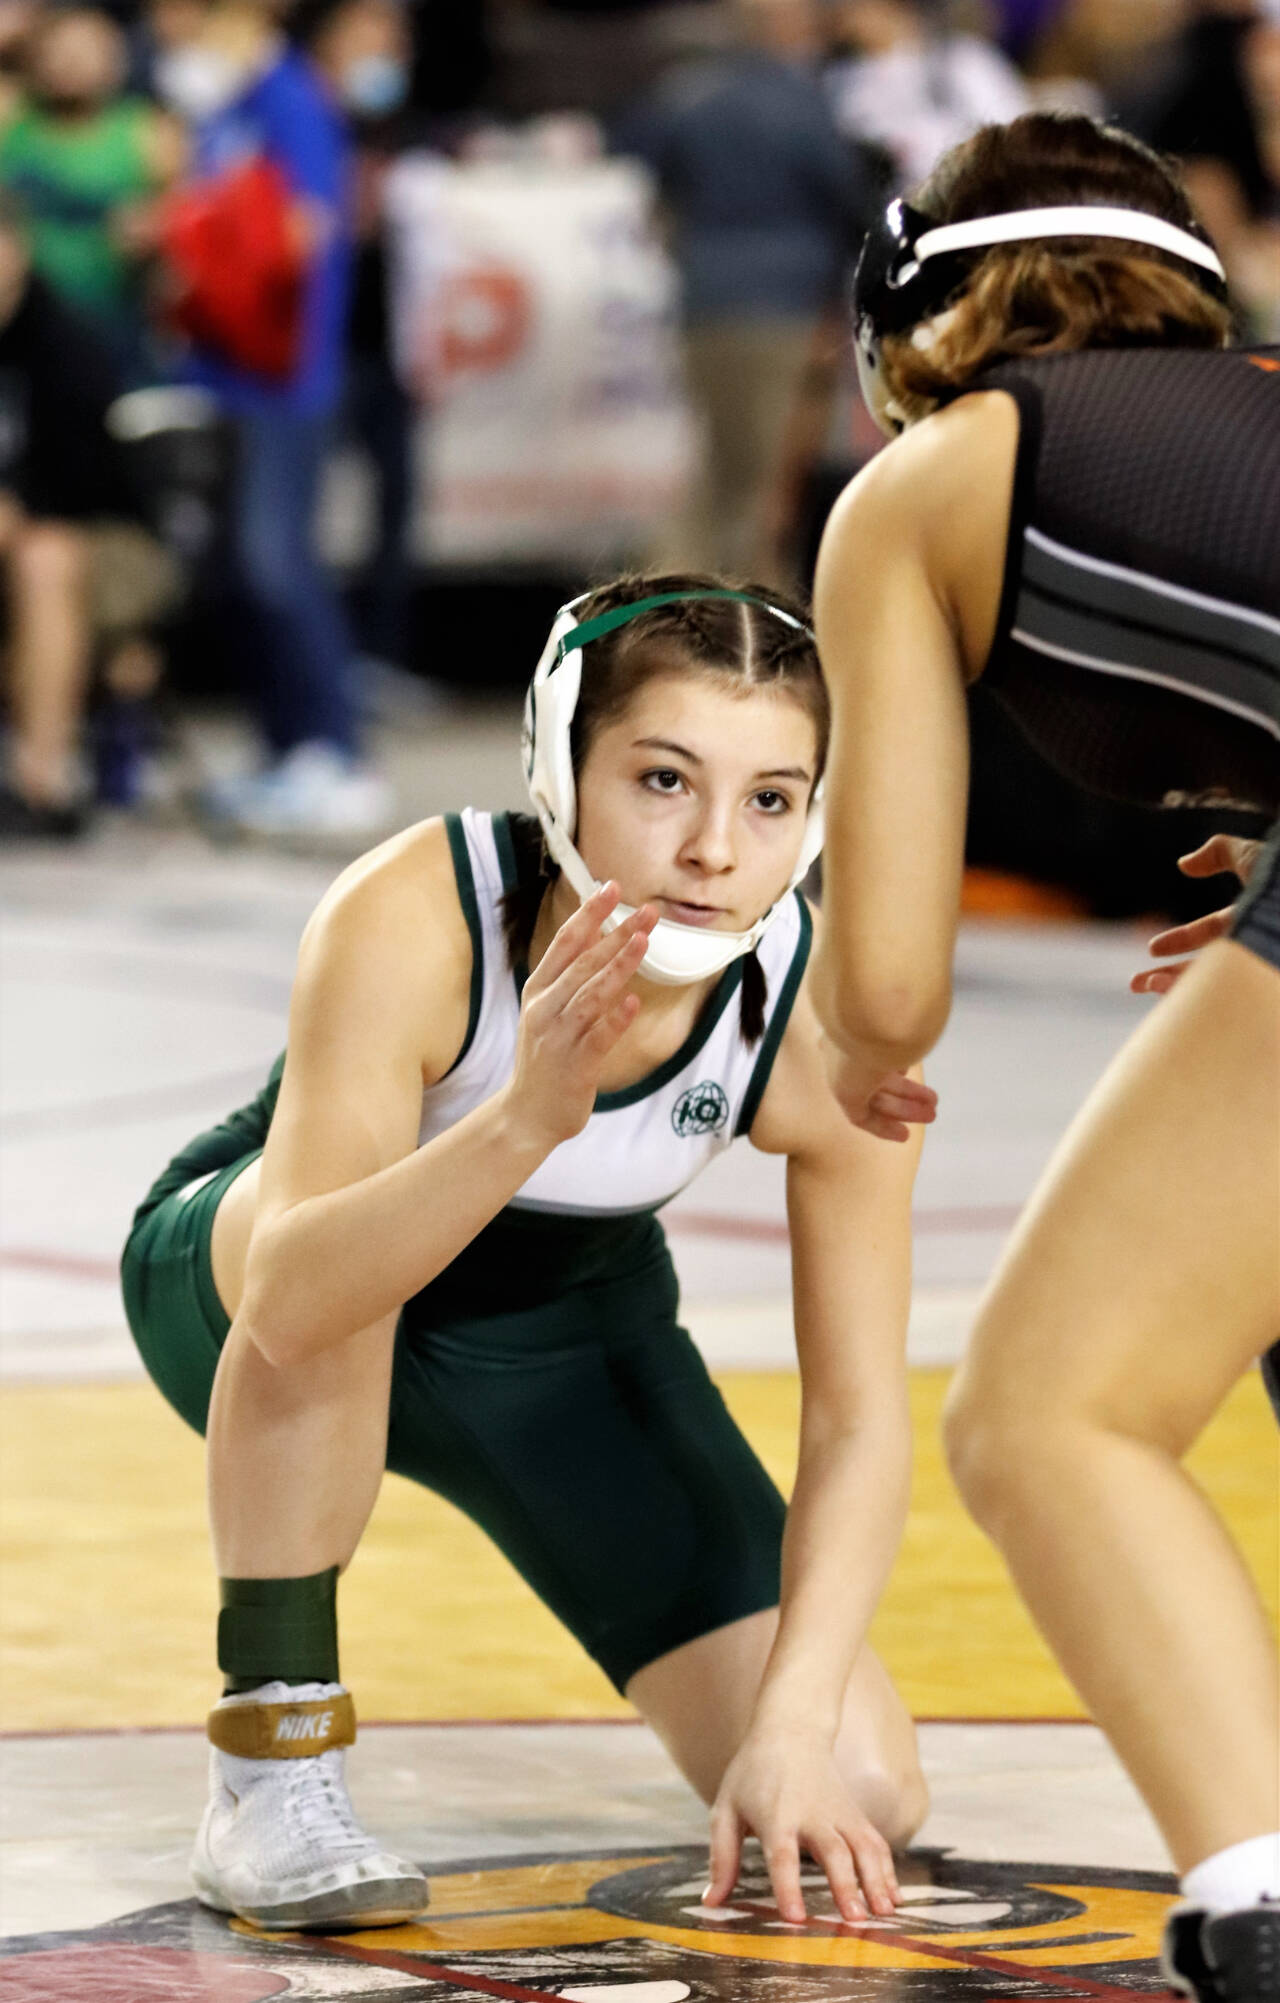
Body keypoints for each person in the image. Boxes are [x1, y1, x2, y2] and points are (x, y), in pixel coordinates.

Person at [120, 572, 935, 1933]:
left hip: (564, 1326)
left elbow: (860, 1415)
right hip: (265, 1279)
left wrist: (789, 1721)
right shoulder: (417, 907)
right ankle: (270, 1766)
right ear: (561, 763)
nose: (715, 849)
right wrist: (520, 1120)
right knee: (336, 1271)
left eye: (773, 798)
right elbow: (295, 1291)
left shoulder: (828, 1015)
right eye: (665, 779)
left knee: (862, 1780)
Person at [807, 112, 1279, 2001]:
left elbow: (897, 988)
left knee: (1050, 1410)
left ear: (910, 322)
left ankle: (1260, 1888)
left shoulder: (932, 481)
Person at [149, 0, 392, 839]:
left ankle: (339, 748)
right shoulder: (229, 108)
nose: (166, 27)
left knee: (279, 563)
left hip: (281, 378)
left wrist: (199, 233)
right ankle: (285, 745)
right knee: (238, 576)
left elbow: (299, 236)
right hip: (223, 374)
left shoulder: (291, 99)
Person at [0, 193, 179, 836]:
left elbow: (82, 481)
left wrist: (18, 512)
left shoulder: (65, 340)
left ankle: (38, 784)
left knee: (45, 560)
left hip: (107, 538)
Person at [0, 6, 184, 381]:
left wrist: (155, 228)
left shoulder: (147, 132)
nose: (69, 62)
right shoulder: (11, 122)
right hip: (25, 330)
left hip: (118, 326)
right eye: (58, 49)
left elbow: (189, 220)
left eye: (84, 49)